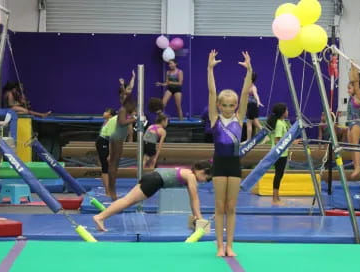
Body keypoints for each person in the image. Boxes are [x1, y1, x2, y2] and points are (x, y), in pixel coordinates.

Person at [208, 49, 252, 257]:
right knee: (219, 205)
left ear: (236, 106)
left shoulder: (239, 118)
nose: (227, 108)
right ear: (218, 105)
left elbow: (245, 93)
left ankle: (230, 245)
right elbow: (210, 91)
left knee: (232, 206)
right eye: (224, 105)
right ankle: (219, 245)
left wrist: (249, 71)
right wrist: (210, 69)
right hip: (219, 163)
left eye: (231, 105)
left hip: (234, 164)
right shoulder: (214, 119)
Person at [93, 161, 212, 231]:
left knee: (127, 201)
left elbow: (193, 199)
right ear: (202, 171)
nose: (203, 182)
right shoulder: (191, 176)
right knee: (127, 201)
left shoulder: (187, 173)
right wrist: (200, 218)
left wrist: (197, 217)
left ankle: (101, 217)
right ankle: (100, 217)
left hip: (152, 178)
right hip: (154, 181)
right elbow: (194, 198)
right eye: (205, 179)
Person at [108, 95, 137, 201]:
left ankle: (112, 188)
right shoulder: (122, 110)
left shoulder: (125, 110)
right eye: (133, 106)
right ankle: (112, 190)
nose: (133, 108)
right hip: (116, 138)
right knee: (113, 164)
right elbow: (121, 122)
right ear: (128, 104)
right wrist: (132, 120)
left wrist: (132, 117)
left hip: (119, 138)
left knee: (115, 164)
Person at [266, 103, 290, 205]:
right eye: (286, 110)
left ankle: (276, 197)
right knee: (278, 175)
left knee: (279, 175)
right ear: (283, 113)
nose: (288, 112)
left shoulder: (282, 122)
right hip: (279, 154)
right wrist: (291, 142)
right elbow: (277, 140)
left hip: (282, 153)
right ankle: (275, 199)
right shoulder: (279, 124)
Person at [345, 63, 360, 179]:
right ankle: (355, 164)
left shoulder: (358, 96)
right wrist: (351, 69)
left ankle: (358, 167)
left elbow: (355, 82)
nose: (348, 90)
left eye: (349, 88)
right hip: (350, 124)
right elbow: (352, 79)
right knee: (351, 146)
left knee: (355, 145)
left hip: (356, 124)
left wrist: (354, 68)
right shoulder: (352, 98)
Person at [95, 108, 117, 196]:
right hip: (103, 142)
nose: (104, 113)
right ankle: (108, 191)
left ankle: (108, 190)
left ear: (110, 115)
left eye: (106, 112)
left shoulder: (111, 121)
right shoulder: (107, 121)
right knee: (106, 168)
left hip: (104, 142)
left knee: (107, 168)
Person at [245, 72, 264, 141]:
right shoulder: (247, 86)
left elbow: (256, 95)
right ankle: (266, 136)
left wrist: (258, 101)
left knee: (249, 123)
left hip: (252, 105)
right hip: (251, 105)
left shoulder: (253, 87)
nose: (244, 78)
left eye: (246, 77)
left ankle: (248, 140)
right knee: (256, 123)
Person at [118, 70, 136, 142]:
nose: (130, 89)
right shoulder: (122, 95)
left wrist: (133, 77)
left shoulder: (128, 94)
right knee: (124, 134)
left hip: (129, 115)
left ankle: (130, 147)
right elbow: (123, 91)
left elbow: (131, 85)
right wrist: (122, 85)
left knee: (131, 133)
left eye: (130, 89)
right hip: (123, 116)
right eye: (128, 89)